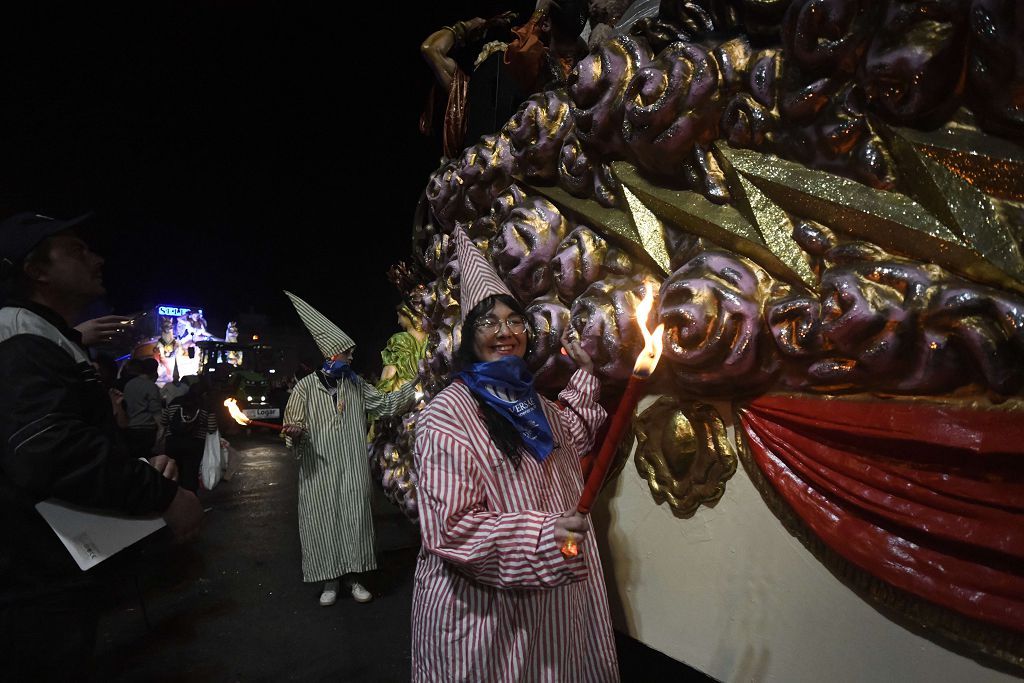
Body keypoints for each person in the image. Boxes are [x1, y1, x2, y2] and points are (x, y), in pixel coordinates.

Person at [0, 210, 203, 679]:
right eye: (77, 250)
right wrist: (165, 496)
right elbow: (48, 450)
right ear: (36, 269)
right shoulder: (21, 336)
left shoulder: (44, 334)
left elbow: (69, 433)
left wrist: (140, 462)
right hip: (34, 585)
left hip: (53, 576)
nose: (98, 258)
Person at [410, 229, 618, 681]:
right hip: (488, 617)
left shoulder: (535, 403)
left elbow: (571, 440)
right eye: (488, 322)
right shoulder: (447, 415)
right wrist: (544, 537)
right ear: (468, 337)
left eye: (514, 321)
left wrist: (584, 375)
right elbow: (452, 530)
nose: (505, 332)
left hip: (553, 613)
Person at [279, 290, 418, 606]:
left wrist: (413, 389)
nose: (352, 359)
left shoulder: (355, 384)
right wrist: (296, 433)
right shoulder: (303, 389)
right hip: (319, 471)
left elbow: (383, 405)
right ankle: (330, 581)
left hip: (353, 468)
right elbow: (293, 429)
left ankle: (355, 579)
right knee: (324, 522)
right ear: (332, 355)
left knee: (356, 519)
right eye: (348, 354)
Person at [161, 376, 218, 492]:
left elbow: (163, 421)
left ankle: (173, 500)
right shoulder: (206, 406)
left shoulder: (174, 402)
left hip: (173, 442)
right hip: (194, 444)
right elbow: (212, 429)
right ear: (204, 394)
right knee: (190, 475)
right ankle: (189, 502)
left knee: (174, 473)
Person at [376, 302, 428, 393]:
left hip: (404, 393)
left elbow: (389, 371)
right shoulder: (429, 337)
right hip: (427, 391)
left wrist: (380, 394)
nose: (398, 321)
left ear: (407, 314)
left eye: (399, 316)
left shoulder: (400, 339)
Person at [122, 356, 163, 460]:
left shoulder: (128, 385)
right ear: (154, 371)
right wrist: (161, 431)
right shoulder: (151, 386)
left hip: (130, 429)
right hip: (147, 430)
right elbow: (156, 411)